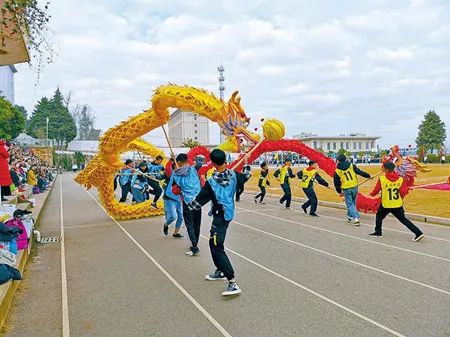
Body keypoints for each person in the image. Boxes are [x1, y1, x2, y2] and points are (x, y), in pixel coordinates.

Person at [187, 149, 246, 296]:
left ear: (212, 163)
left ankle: (232, 281)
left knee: (216, 246)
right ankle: (220, 271)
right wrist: (246, 162)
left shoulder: (212, 183)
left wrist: (185, 199)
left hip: (220, 217)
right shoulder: (234, 175)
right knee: (214, 244)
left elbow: (196, 204)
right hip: (229, 213)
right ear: (224, 160)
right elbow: (246, 177)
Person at [368, 162, 425, 241]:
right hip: (397, 204)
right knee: (404, 220)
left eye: (383, 168)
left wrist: (371, 194)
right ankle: (418, 233)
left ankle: (378, 232)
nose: (382, 169)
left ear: (386, 170)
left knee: (379, 217)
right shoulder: (401, 179)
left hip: (386, 204)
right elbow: (402, 192)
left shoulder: (382, 179)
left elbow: (375, 191)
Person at [173, 153, 202, 256]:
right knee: (197, 223)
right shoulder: (193, 170)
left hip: (188, 201)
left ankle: (194, 247)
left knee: (190, 224)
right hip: (198, 199)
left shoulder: (177, 174)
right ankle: (195, 243)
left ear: (179, 162)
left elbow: (178, 186)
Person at [334, 154, 370, 225]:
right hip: (354, 187)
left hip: (346, 188)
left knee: (349, 204)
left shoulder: (337, 170)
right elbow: (360, 172)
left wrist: (339, 191)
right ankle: (349, 217)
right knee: (352, 203)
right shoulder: (351, 165)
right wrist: (368, 175)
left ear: (338, 161)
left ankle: (356, 219)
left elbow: (336, 183)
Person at [162, 158, 184, 238]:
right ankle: (166, 224)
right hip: (170, 198)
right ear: (174, 166)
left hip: (179, 199)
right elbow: (167, 167)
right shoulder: (171, 173)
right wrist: (171, 159)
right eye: (179, 166)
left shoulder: (183, 175)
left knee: (181, 217)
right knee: (173, 216)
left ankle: (176, 233)